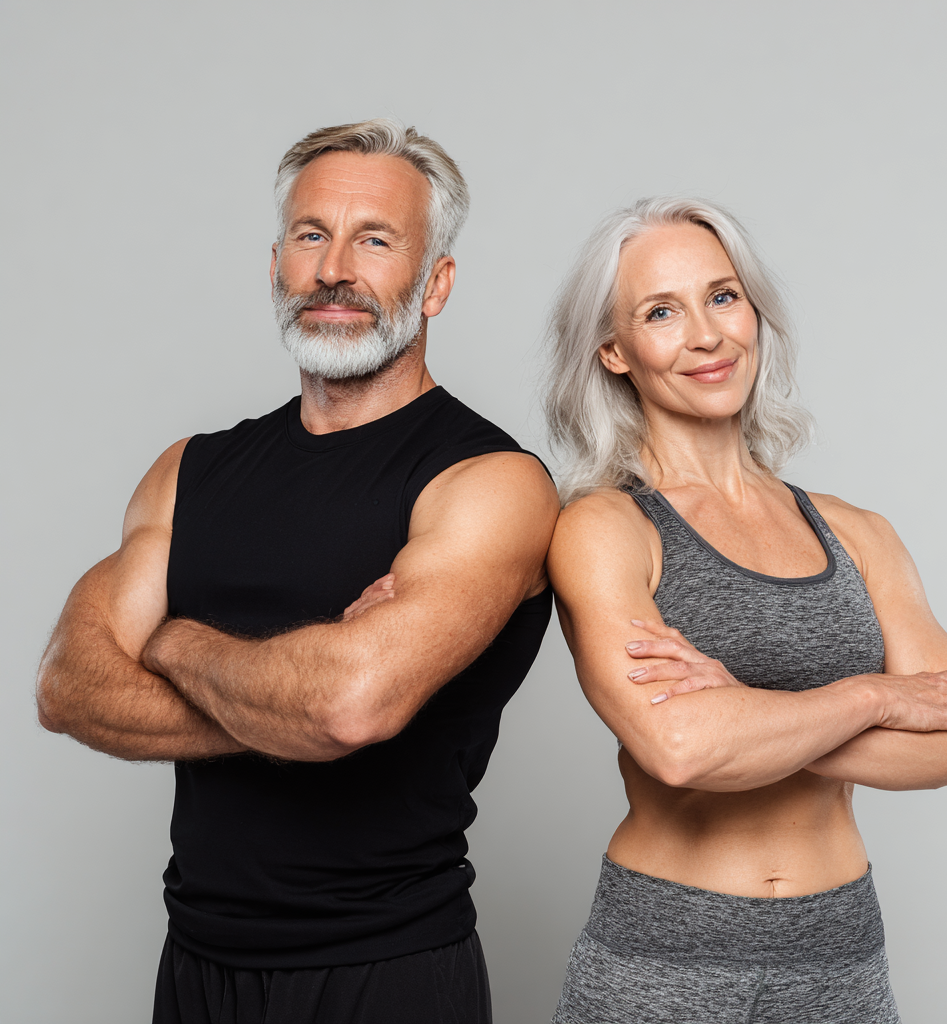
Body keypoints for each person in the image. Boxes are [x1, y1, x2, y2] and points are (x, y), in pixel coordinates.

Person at [35, 118, 559, 1024]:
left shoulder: (490, 484)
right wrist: (291, 709)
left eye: (376, 240)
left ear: (435, 283)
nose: (335, 269)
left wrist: (173, 638)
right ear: (275, 265)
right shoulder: (189, 470)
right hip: (195, 964)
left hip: (384, 968)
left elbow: (347, 706)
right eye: (312, 236)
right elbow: (67, 687)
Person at [543, 196, 947, 1024]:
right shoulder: (605, 529)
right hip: (667, 958)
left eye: (723, 296)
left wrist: (753, 715)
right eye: (661, 312)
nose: (707, 335)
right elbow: (680, 748)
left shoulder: (859, 533)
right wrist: (878, 698)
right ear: (614, 351)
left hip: (841, 955)